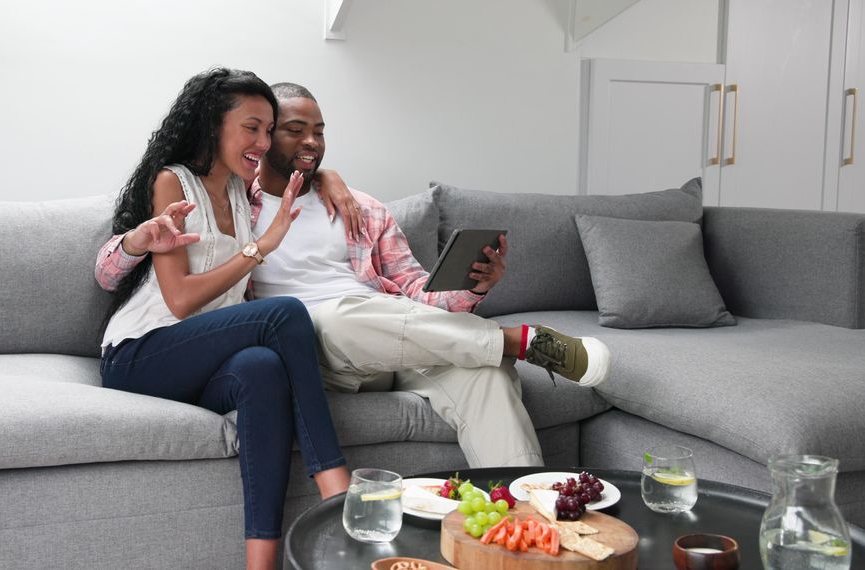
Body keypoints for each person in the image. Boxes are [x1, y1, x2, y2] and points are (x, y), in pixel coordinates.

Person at [98, 81, 611, 469]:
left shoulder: (361, 207)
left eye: (319, 131)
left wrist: (473, 286)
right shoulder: (236, 203)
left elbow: (414, 291)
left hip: (398, 336)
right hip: (317, 347)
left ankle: (520, 532)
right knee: (333, 316)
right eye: (294, 129)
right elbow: (150, 266)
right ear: (261, 136)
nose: (311, 141)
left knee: (486, 375)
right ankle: (514, 340)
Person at [97, 68, 349, 570]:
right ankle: (338, 496)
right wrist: (259, 249)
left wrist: (331, 177)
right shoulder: (174, 183)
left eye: (268, 129)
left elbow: (295, 167)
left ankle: (261, 563)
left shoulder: (241, 187)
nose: (263, 140)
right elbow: (180, 302)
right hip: (142, 352)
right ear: (214, 126)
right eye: (251, 128)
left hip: (203, 360)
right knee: (283, 314)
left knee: (261, 368)